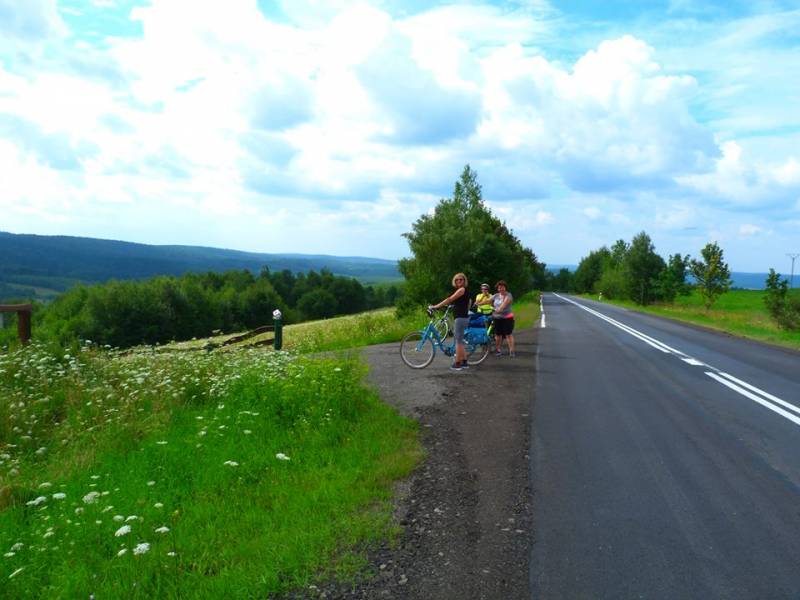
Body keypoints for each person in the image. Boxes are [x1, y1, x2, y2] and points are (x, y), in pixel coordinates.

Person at [430, 272, 470, 371]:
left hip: (460, 318)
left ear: (464, 281)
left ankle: (457, 363)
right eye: (456, 280)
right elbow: (462, 302)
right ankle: (464, 362)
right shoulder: (462, 290)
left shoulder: (461, 290)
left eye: (461, 279)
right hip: (461, 317)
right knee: (459, 340)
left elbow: (450, 299)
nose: (458, 281)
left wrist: (435, 306)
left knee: (458, 342)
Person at [492, 280, 515, 357]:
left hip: (507, 317)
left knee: (508, 334)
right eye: (499, 288)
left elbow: (504, 304)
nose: (500, 289)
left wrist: (499, 309)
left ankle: (511, 351)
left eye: (502, 287)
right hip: (497, 318)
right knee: (498, 335)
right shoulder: (496, 295)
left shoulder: (508, 295)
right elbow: (488, 300)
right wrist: (478, 303)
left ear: (505, 288)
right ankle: (498, 350)